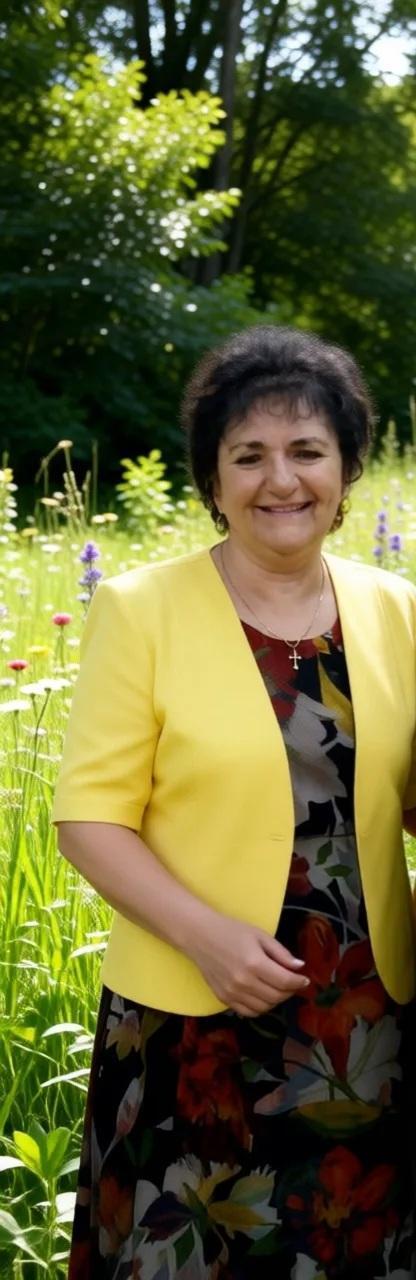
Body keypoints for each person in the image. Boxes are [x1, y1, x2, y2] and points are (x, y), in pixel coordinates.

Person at [53, 325, 416, 1280]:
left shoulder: (398, 608)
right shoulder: (141, 608)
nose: (280, 480)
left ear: (348, 469)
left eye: (307, 451)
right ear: (213, 480)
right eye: (248, 455)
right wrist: (209, 938)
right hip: (194, 1026)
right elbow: (89, 817)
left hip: (364, 1026)